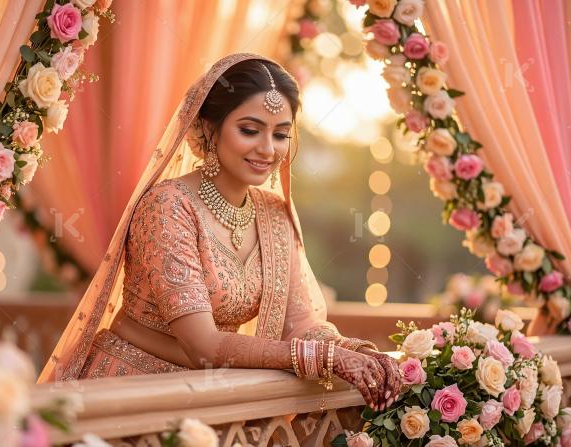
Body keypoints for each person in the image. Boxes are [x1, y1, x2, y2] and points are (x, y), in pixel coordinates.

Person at [38, 53, 401, 411]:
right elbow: (204, 347)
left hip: (216, 401)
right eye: (249, 130)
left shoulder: (274, 213)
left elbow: (302, 323)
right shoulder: (168, 206)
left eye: (281, 134)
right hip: (131, 396)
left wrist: (359, 353)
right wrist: (325, 358)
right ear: (209, 128)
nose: (268, 149)